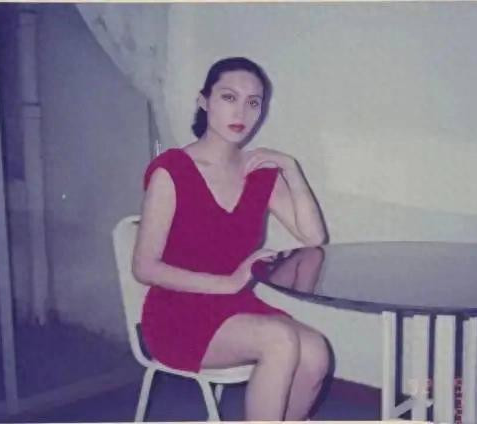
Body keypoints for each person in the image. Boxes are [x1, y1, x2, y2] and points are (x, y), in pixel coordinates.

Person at [132, 57, 329, 421]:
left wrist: (291, 168)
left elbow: (314, 235)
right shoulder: (172, 170)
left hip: (233, 307)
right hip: (177, 315)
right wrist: (228, 283)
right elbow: (144, 267)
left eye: (253, 102)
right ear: (203, 101)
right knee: (279, 340)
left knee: (316, 353)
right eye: (228, 97)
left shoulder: (258, 173)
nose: (241, 112)